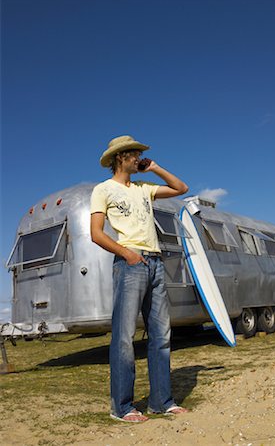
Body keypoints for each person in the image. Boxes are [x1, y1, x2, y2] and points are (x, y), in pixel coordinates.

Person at [90, 135, 189, 422]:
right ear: (121, 157)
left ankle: (162, 401)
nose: (138, 158)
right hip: (130, 262)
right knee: (124, 337)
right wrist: (128, 254)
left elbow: (181, 188)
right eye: (135, 154)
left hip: (156, 262)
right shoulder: (103, 190)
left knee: (161, 335)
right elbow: (96, 233)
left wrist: (155, 167)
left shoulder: (144, 188)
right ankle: (121, 407)